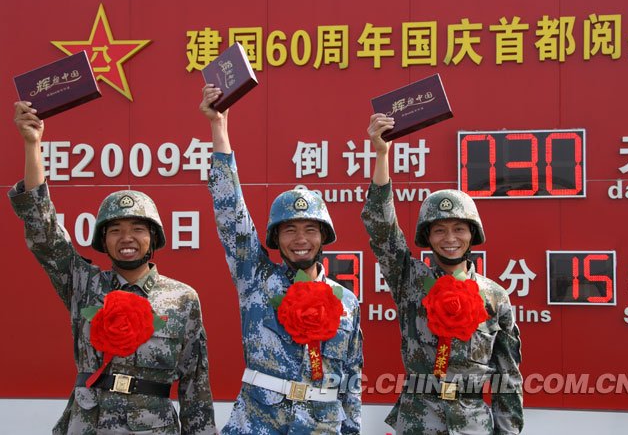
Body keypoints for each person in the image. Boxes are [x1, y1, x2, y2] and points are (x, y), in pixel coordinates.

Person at [9, 101, 217, 435]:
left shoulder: (182, 299)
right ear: (103, 240)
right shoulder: (83, 283)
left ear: (154, 237)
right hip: (88, 425)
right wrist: (32, 144)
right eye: (115, 230)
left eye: (138, 228)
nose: (127, 238)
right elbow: (44, 231)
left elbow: (196, 388)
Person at [200, 85, 362, 434]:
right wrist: (219, 128)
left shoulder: (345, 301)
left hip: (321, 425)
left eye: (310, 229)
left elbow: (352, 379)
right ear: (276, 238)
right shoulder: (256, 279)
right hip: (258, 423)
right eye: (289, 230)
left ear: (324, 238)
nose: (300, 239)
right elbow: (232, 216)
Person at [361, 113, 523, 434]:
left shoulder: (493, 295)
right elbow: (382, 231)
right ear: (428, 237)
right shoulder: (413, 281)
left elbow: (508, 379)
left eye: (459, 229)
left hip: (473, 424)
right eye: (440, 230)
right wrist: (382, 155)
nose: (450, 239)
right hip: (418, 421)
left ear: (472, 234)